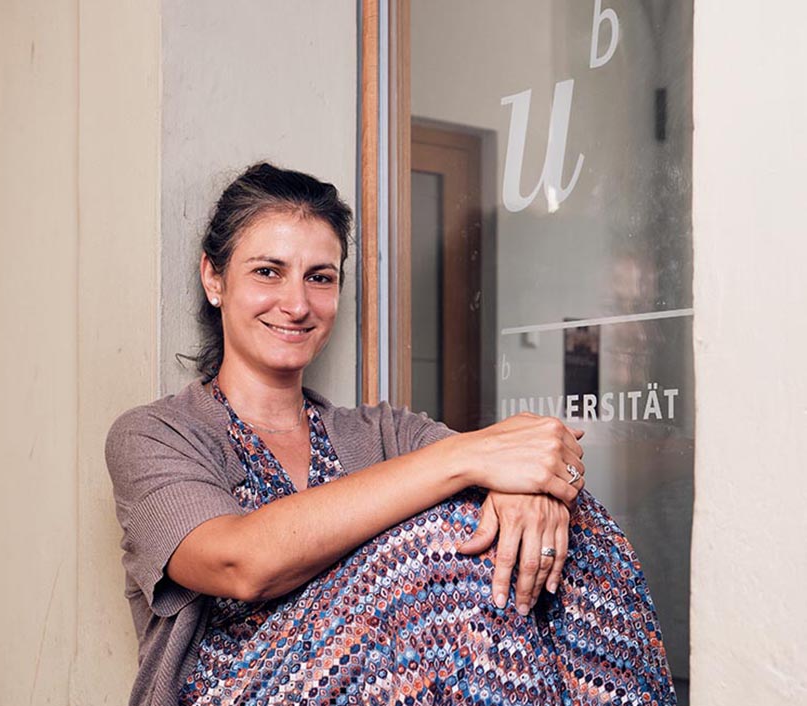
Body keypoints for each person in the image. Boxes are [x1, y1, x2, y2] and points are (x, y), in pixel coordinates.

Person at [105, 162, 677, 706]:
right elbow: (241, 564)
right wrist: (473, 461)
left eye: (320, 278)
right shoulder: (154, 435)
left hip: (402, 685)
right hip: (235, 691)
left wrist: (531, 489)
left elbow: (515, 459)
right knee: (446, 540)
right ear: (214, 278)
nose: (297, 303)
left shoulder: (381, 432)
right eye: (267, 272)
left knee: (575, 528)